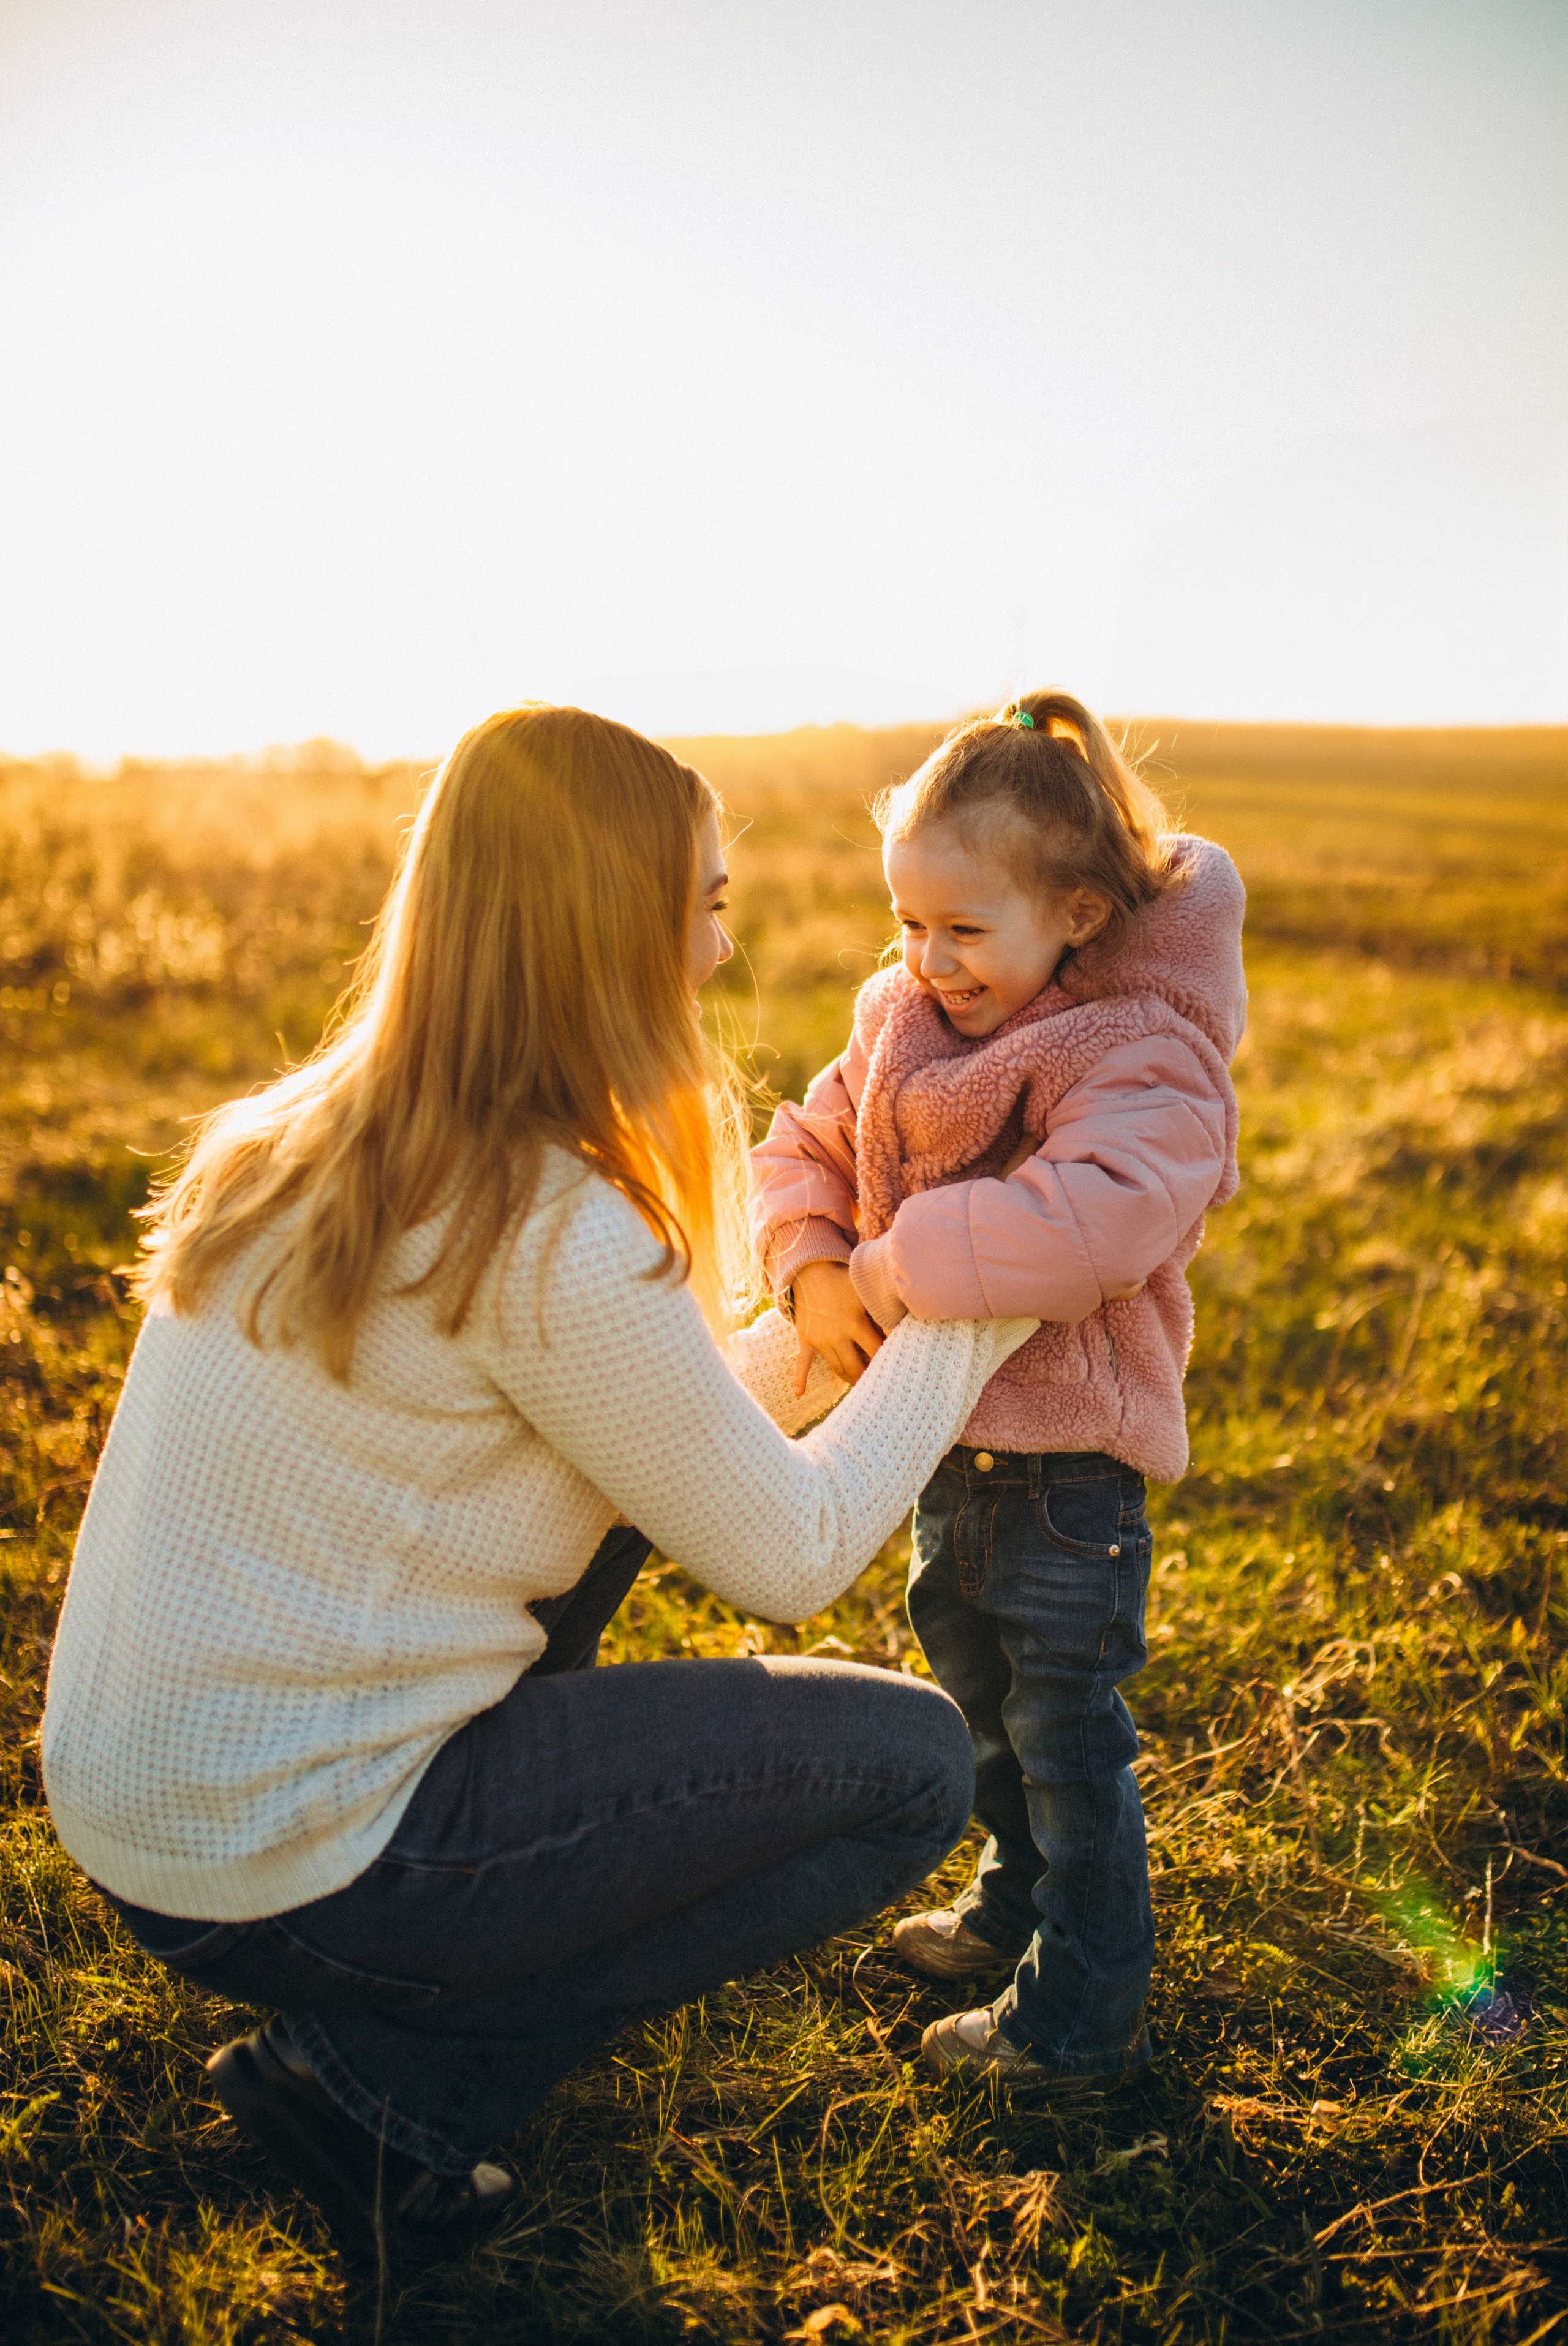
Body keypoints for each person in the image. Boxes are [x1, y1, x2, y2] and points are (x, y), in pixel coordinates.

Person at [40, 706, 1037, 2255]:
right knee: (908, 1767)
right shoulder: (545, 1222)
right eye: (702, 905)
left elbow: (635, 1410)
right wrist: (983, 1294)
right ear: (605, 930)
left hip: (146, 1812)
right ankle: (386, 2090)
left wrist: (832, 1324)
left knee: (635, 1533)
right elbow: (793, 1554)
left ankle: (392, 2026)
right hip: (293, 1859)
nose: (720, 949)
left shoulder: (310, 1136)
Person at [750, 690, 1245, 2088]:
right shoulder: (900, 1019)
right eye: (905, 922)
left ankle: (1082, 2009)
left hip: (1067, 1472)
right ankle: (1014, 1904)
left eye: (963, 929)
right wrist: (810, 1264)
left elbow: (1094, 1222)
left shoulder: (1139, 1047)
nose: (928, 960)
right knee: (979, 1706)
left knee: (1064, 1735)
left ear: (1077, 911)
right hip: (944, 1456)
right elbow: (802, 1144)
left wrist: (892, 1264)